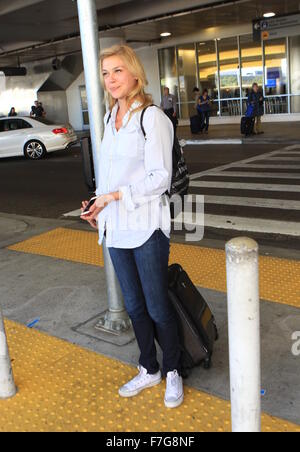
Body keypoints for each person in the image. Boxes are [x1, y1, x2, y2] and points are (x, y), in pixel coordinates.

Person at [80, 45, 184, 409]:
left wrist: (115, 197)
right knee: (135, 307)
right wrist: (97, 205)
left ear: (136, 75)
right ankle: (149, 367)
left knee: (157, 308)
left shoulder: (152, 117)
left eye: (117, 71)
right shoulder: (111, 118)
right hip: (116, 229)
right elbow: (108, 175)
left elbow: (160, 178)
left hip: (147, 227)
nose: (110, 79)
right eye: (106, 73)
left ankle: (173, 371)